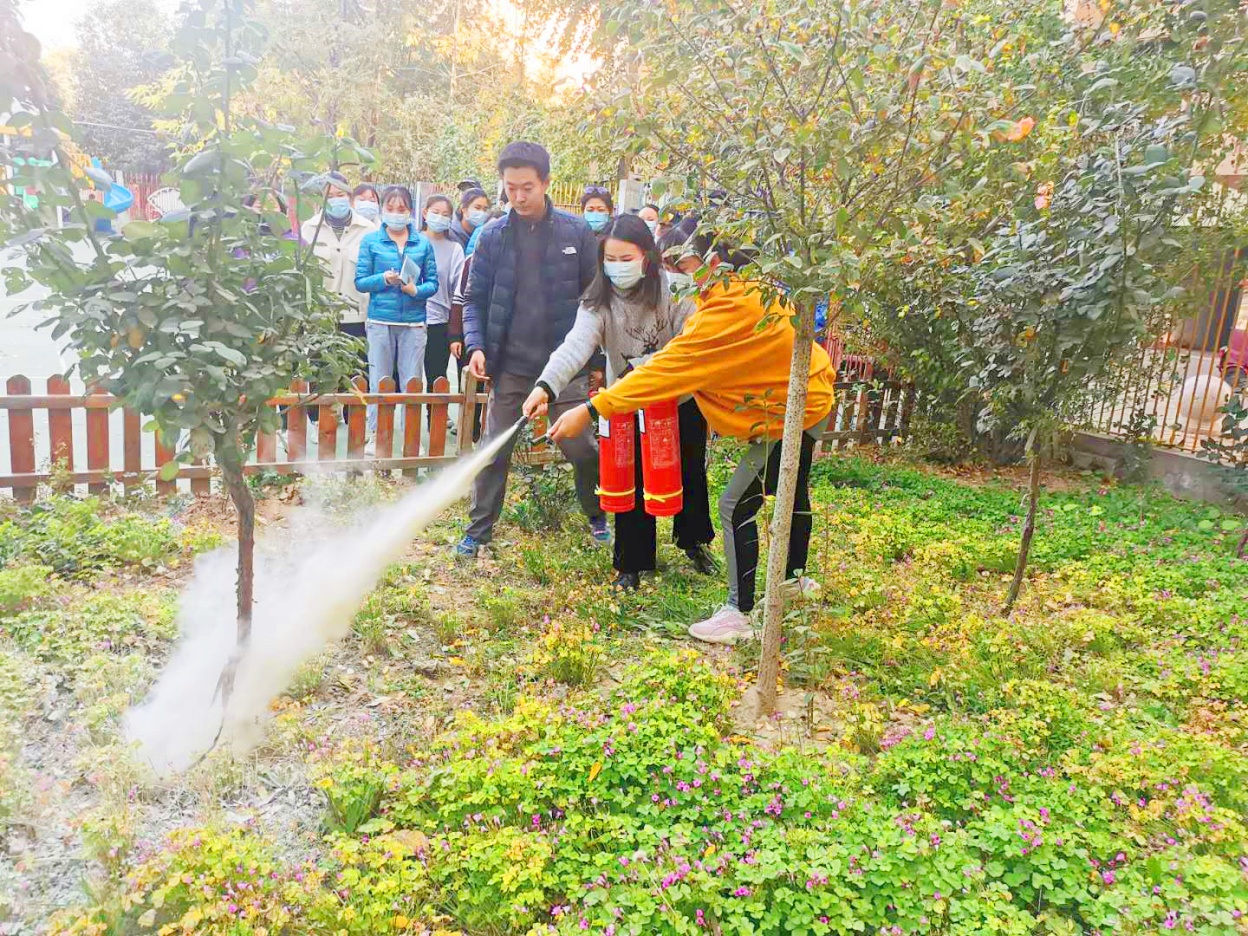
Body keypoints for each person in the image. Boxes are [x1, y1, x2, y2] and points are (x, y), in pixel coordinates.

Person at [548, 219, 835, 645]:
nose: (674, 275)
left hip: (790, 412)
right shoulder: (747, 291)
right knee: (793, 493)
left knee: (735, 504)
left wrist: (591, 409)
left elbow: (667, 367)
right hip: (808, 398)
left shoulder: (723, 313)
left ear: (711, 261)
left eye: (680, 265)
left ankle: (739, 612)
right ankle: (793, 579)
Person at [522, 214, 716, 590]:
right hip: (624, 401)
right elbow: (575, 345)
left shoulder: (676, 291)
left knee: (689, 471)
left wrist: (648, 371)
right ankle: (631, 563)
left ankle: (694, 541)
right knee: (630, 476)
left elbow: (687, 346)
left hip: (679, 399)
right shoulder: (598, 301)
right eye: (610, 259)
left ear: (647, 257)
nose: (617, 267)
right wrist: (545, 386)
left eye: (626, 259)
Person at [457, 141, 608, 558]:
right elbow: (473, 299)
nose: (519, 197)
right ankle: (478, 531)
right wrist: (476, 346)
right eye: (511, 188)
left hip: (565, 367)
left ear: (546, 182)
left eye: (527, 187)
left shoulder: (577, 233)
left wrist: (595, 362)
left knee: (581, 448)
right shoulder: (492, 236)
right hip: (511, 365)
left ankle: (598, 516)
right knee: (494, 450)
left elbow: (595, 302)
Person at [354, 185, 438, 434]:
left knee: (413, 382)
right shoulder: (371, 241)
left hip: (414, 322)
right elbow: (360, 282)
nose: (396, 214)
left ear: (410, 211)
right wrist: (383, 279)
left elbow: (433, 283)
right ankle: (375, 434)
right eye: (390, 208)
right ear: (383, 209)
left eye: (401, 209)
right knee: (378, 380)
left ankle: (411, 437)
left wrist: (415, 291)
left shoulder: (423, 243)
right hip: (380, 320)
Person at [301, 171, 377, 359]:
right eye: (329, 196)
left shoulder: (369, 230)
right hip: (321, 318)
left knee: (357, 372)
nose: (335, 200)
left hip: (357, 317)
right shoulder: (309, 229)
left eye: (340, 195)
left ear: (350, 197)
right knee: (321, 370)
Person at [420, 193, 466, 398]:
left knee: (436, 377)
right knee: (405, 378)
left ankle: (435, 415)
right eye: (435, 212)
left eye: (445, 214)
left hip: (439, 322)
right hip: (409, 320)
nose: (440, 217)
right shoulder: (412, 241)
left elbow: (458, 290)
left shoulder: (454, 249)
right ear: (425, 213)